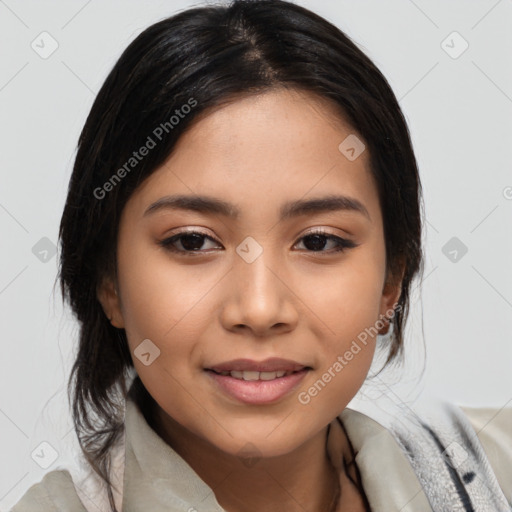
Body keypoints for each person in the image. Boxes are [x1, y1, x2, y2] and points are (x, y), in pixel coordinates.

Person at [11, 1, 511, 511]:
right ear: (108, 282)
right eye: (192, 241)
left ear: (392, 282)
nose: (259, 309)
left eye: (318, 241)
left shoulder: (494, 476)